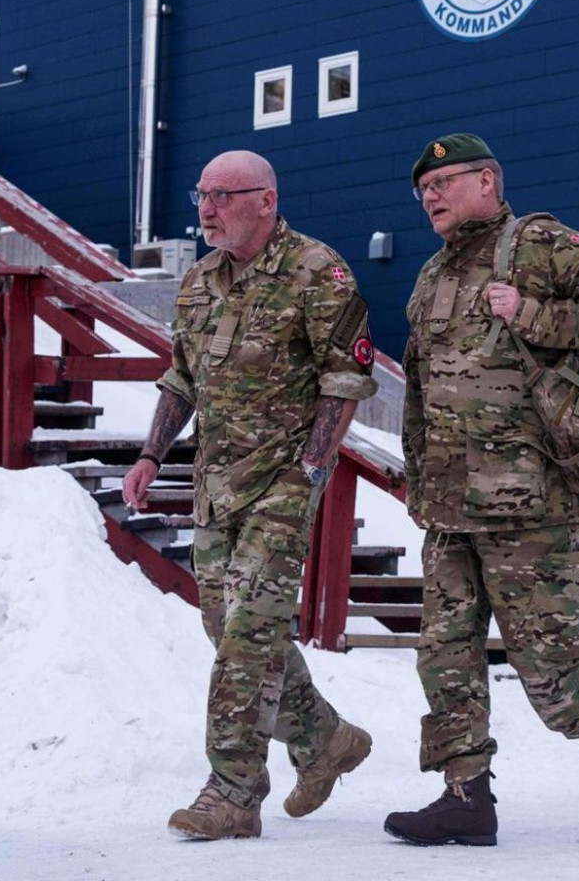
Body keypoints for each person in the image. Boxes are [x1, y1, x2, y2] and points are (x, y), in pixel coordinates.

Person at [384, 132, 579, 848]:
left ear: (489, 180)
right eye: (423, 190)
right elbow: (419, 391)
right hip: (447, 506)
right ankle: (466, 796)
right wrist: (417, 477)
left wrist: (532, 314)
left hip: (530, 504)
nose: (431, 196)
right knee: (445, 655)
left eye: (446, 182)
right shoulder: (432, 276)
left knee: (551, 672)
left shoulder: (541, 244)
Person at [122, 150, 378, 841]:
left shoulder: (318, 272)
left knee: (248, 635)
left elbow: (345, 381)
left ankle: (232, 791)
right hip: (215, 484)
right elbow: (182, 376)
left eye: (223, 196)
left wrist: (310, 473)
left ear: (265, 200)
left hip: (283, 485)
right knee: (226, 628)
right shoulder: (200, 280)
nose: (206, 210)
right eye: (201, 195)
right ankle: (326, 739)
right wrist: (152, 453)